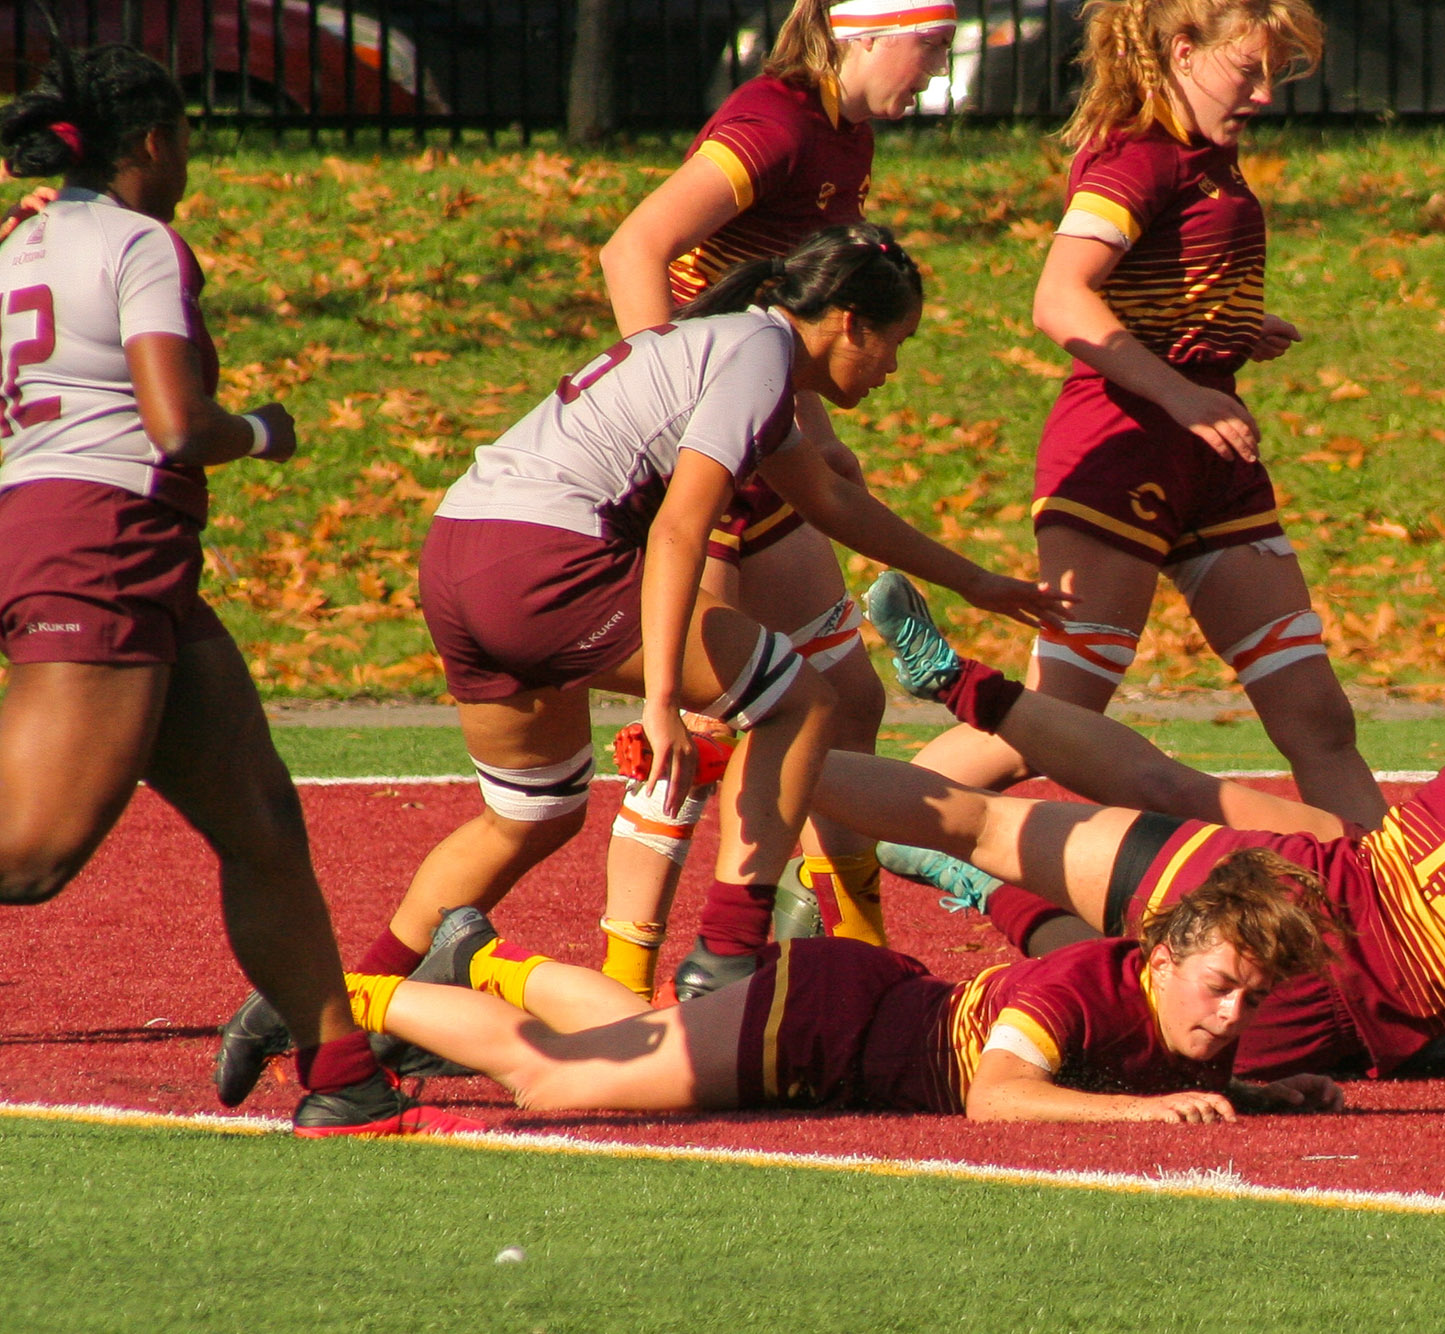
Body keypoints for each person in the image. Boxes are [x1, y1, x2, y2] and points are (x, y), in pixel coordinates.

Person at [215, 224, 978, 1090]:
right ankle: (726, 958)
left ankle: (333, 1010)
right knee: (803, 702)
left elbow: (832, 502)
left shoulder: (732, 348)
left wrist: (980, 584)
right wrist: (661, 701)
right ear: (849, 321)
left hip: (460, 549)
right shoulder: (757, 357)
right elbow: (681, 526)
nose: (893, 367)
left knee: (531, 817)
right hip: (541, 559)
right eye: (897, 342)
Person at [0, 42, 475, 1135]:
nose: (186, 166)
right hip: (103, 537)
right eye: (184, 143)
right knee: (31, 856)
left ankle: (343, 1075)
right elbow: (176, 424)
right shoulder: (139, 241)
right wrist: (264, 431)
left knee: (261, 819)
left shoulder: (26, 240)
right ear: (152, 140)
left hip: (90, 535)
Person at [597, 0, 1070, 999]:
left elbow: (794, 310)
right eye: (927, 46)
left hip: (761, 438)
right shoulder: (773, 122)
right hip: (711, 447)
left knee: (847, 701)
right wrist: (669, 399)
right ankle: (626, 982)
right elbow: (632, 249)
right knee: (703, 726)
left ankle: (852, 953)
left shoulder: (844, 134)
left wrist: (814, 432)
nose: (934, 70)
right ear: (864, 34)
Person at [813, 574, 1445, 1083]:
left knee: (1015, 813)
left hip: (1280, 869)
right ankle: (991, 891)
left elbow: (1403, 860)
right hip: (1305, 988)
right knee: (1116, 984)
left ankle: (816, 737)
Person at [892, 0, 1388, 850]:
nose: (1264, 94)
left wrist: (1224, 331)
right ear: (1183, 52)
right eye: (1249, 71)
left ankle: (1393, 900)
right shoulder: (1138, 156)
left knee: (1316, 715)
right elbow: (1059, 298)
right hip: (1123, 450)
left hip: (1211, 459)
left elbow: (1158, 284)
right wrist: (1182, 393)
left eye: (1274, 74)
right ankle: (843, 836)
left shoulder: (1207, 155)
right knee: (1059, 715)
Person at [341, 852, 1342, 1122]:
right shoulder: (1088, 980)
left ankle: (484, 960)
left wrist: (1258, 1093)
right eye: (1220, 987)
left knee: (641, 1033)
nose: (1230, 1015)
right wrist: (1148, 1113)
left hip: (854, 1016)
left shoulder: (1186, 1010)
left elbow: (1143, 1077)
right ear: (1161, 960)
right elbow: (998, 1097)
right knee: (553, 1080)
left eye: (1251, 1000)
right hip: (824, 1025)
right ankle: (343, 998)